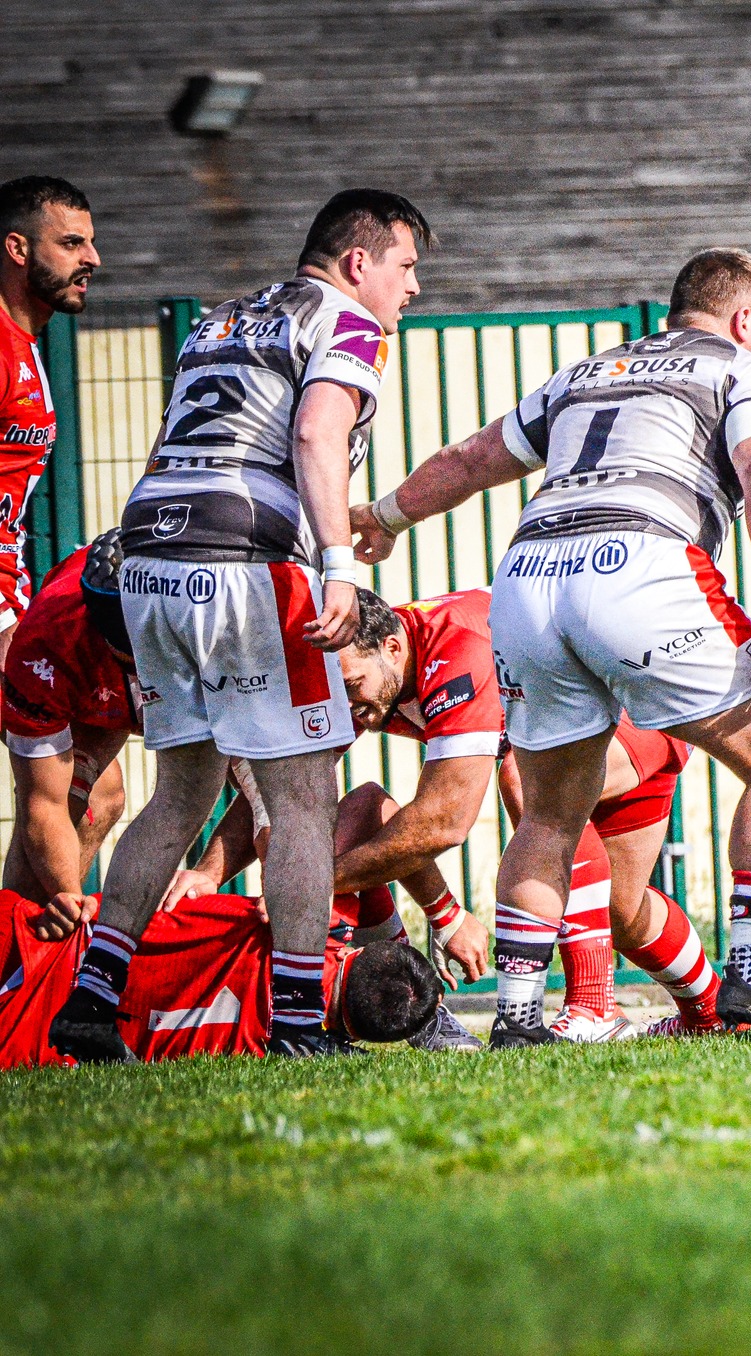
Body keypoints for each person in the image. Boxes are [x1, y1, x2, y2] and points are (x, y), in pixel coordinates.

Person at [350, 246, 751, 1043]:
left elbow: (474, 458)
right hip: (641, 564)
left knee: (550, 814)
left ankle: (519, 1019)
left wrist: (385, 515)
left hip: (526, 578)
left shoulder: (588, 371)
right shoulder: (744, 370)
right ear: (743, 320)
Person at [47, 189, 430, 1062]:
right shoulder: (348, 323)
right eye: (407, 269)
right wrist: (335, 565)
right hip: (244, 558)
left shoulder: (221, 320)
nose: (412, 291)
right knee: (302, 798)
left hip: (147, 549)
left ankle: (93, 996)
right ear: (359, 261)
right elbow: (317, 433)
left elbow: (177, 441)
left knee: (181, 791)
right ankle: (297, 1023)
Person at [331, 586, 723, 1040]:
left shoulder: (453, 647)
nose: (345, 703)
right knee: (619, 910)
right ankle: (713, 1014)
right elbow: (285, 793)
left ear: (392, 648)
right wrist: (223, 871)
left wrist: (318, 886)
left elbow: (442, 821)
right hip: (603, 715)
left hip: (639, 700)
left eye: (351, 686)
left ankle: (594, 1008)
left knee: (528, 778)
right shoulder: (369, 666)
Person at [0, 888, 438, 1069]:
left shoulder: (306, 926)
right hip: (26, 1042)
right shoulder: (288, 1052)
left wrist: (444, 917)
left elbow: (370, 805)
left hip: (42, 943)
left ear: (351, 948)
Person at [2, 531, 135, 910]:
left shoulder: (227, 632)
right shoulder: (44, 646)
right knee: (85, 794)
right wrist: (69, 900)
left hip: (190, 659)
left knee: (267, 794)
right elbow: (43, 805)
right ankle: (24, 953)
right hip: (47, 652)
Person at [0, 176, 98, 668]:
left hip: (13, 596)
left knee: (77, 742)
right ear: (17, 248)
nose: (92, 259)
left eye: (90, 242)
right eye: (71, 243)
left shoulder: (28, 341)